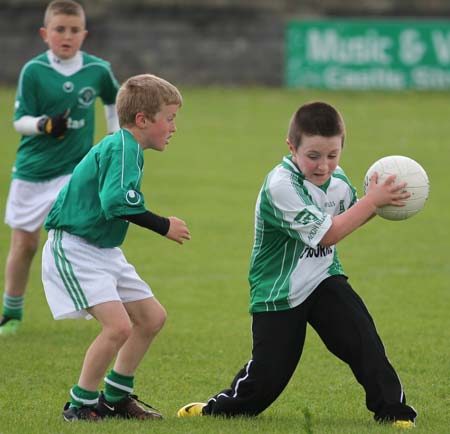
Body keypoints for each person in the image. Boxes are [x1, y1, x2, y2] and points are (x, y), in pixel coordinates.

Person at [177, 101, 417, 428]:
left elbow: (346, 219)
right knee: (266, 380)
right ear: (292, 147)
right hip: (278, 290)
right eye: (313, 156)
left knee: (363, 338)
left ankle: (394, 412)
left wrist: (379, 204)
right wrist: (372, 202)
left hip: (323, 279)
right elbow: (328, 235)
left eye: (332, 155)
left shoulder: (339, 182)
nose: (323, 166)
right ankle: (215, 411)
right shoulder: (281, 186)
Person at [41, 73, 190, 421]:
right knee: (118, 327)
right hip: (75, 248)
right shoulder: (123, 146)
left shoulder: (128, 148)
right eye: (168, 119)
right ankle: (79, 404)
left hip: (103, 250)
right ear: (142, 120)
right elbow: (116, 202)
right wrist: (163, 225)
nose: (173, 127)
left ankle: (115, 398)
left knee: (151, 318)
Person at [0, 0, 120, 336]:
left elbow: (114, 99)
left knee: (77, 240)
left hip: (75, 171)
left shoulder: (97, 69)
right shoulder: (34, 71)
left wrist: (112, 137)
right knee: (25, 244)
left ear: (84, 34)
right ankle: (11, 311)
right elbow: (19, 121)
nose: (66, 36)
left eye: (73, 30)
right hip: (32, 171)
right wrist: (44, 125)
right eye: (59, 29)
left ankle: (97, 306)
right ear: (45, 33)